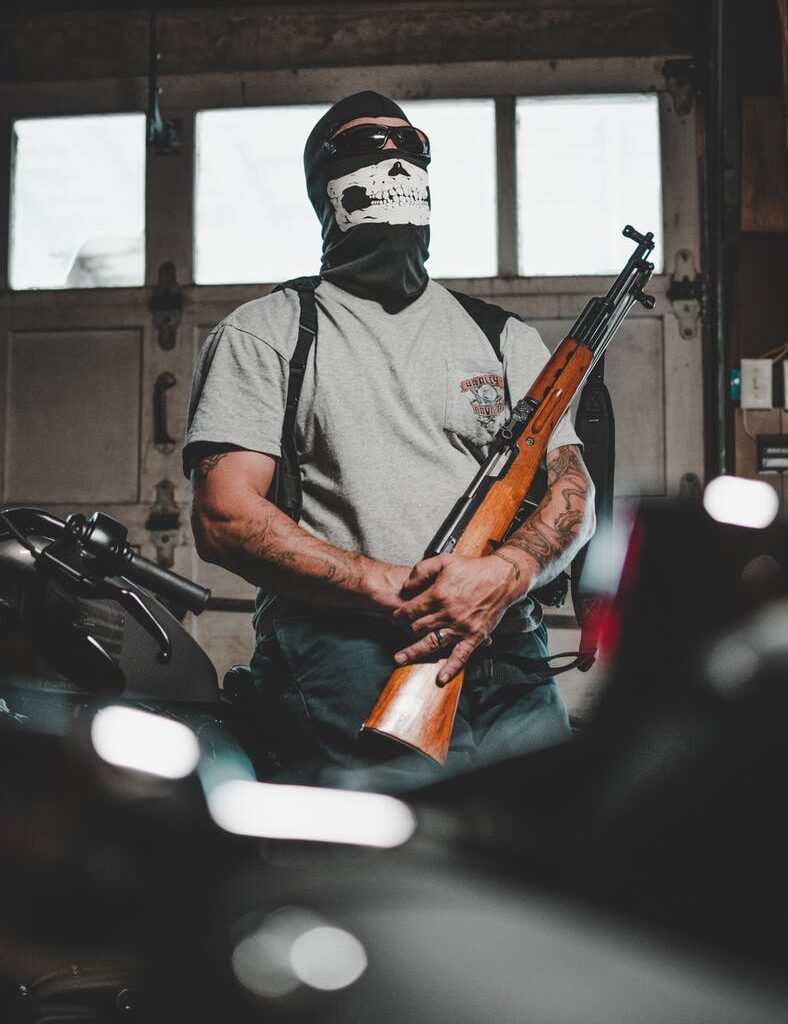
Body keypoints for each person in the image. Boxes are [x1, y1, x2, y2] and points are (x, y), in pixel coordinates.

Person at [183, 91, 595, 790]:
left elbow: (572, 490)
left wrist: (506, 574)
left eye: (411, 150)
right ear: (325, 186)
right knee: (413, 854)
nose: (394, 164)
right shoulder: (270, 332)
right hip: (343, 651)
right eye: (364, 149)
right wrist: (401, 592)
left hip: (505, 639)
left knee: (549, 837)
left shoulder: (504, 339)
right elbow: (225, 517)